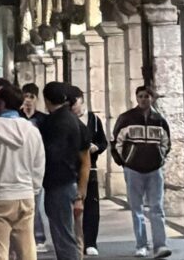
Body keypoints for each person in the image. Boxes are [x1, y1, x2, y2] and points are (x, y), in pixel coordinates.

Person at [0, 85, 45, 260]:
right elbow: (39, 165)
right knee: (27, 251)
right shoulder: (32, 130)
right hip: (25, 195)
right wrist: (34, 189)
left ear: (1, 103)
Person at [110, 86, 172, 258]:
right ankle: (141, 245)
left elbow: (166, 142)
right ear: (136, 98)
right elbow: (116, 142)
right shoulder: (126, 118)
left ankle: (160, 245)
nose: (143, 99)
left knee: (156, 208)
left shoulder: (159, 120)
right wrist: (125, 162)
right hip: (133, 170)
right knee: (136, 208)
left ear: (152, 98)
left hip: (154, 170)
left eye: (146, 96)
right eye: (140, 96)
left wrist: (159, 158)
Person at [40, 82, 90, 260]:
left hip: (57, 184)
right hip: (72, 183)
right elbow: (85, 160)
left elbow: (50, 155)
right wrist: (81, 192)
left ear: (47, 100)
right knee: (72, 236)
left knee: (63, 238)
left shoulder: (51, 123)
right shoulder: (76, 122)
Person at [67, 86, 108, 257]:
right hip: (71, 168)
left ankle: (90, 242)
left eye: (75, 102)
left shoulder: (93, 120)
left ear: (81, 100)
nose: (73, 107)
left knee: (91, 205)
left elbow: (103, 142)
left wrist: (96, 147)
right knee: (71, 206)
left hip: (90, 166)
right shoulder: (67, 120)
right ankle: (74, 241)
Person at [21, 83, 48, 253]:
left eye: (31, 97)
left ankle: (39, 237)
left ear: (37, 99)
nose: (28, 100)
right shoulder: (17, 117)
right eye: (25, 96)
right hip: (21, 165)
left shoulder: (43, 119)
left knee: (36, 204)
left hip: (38, 166)